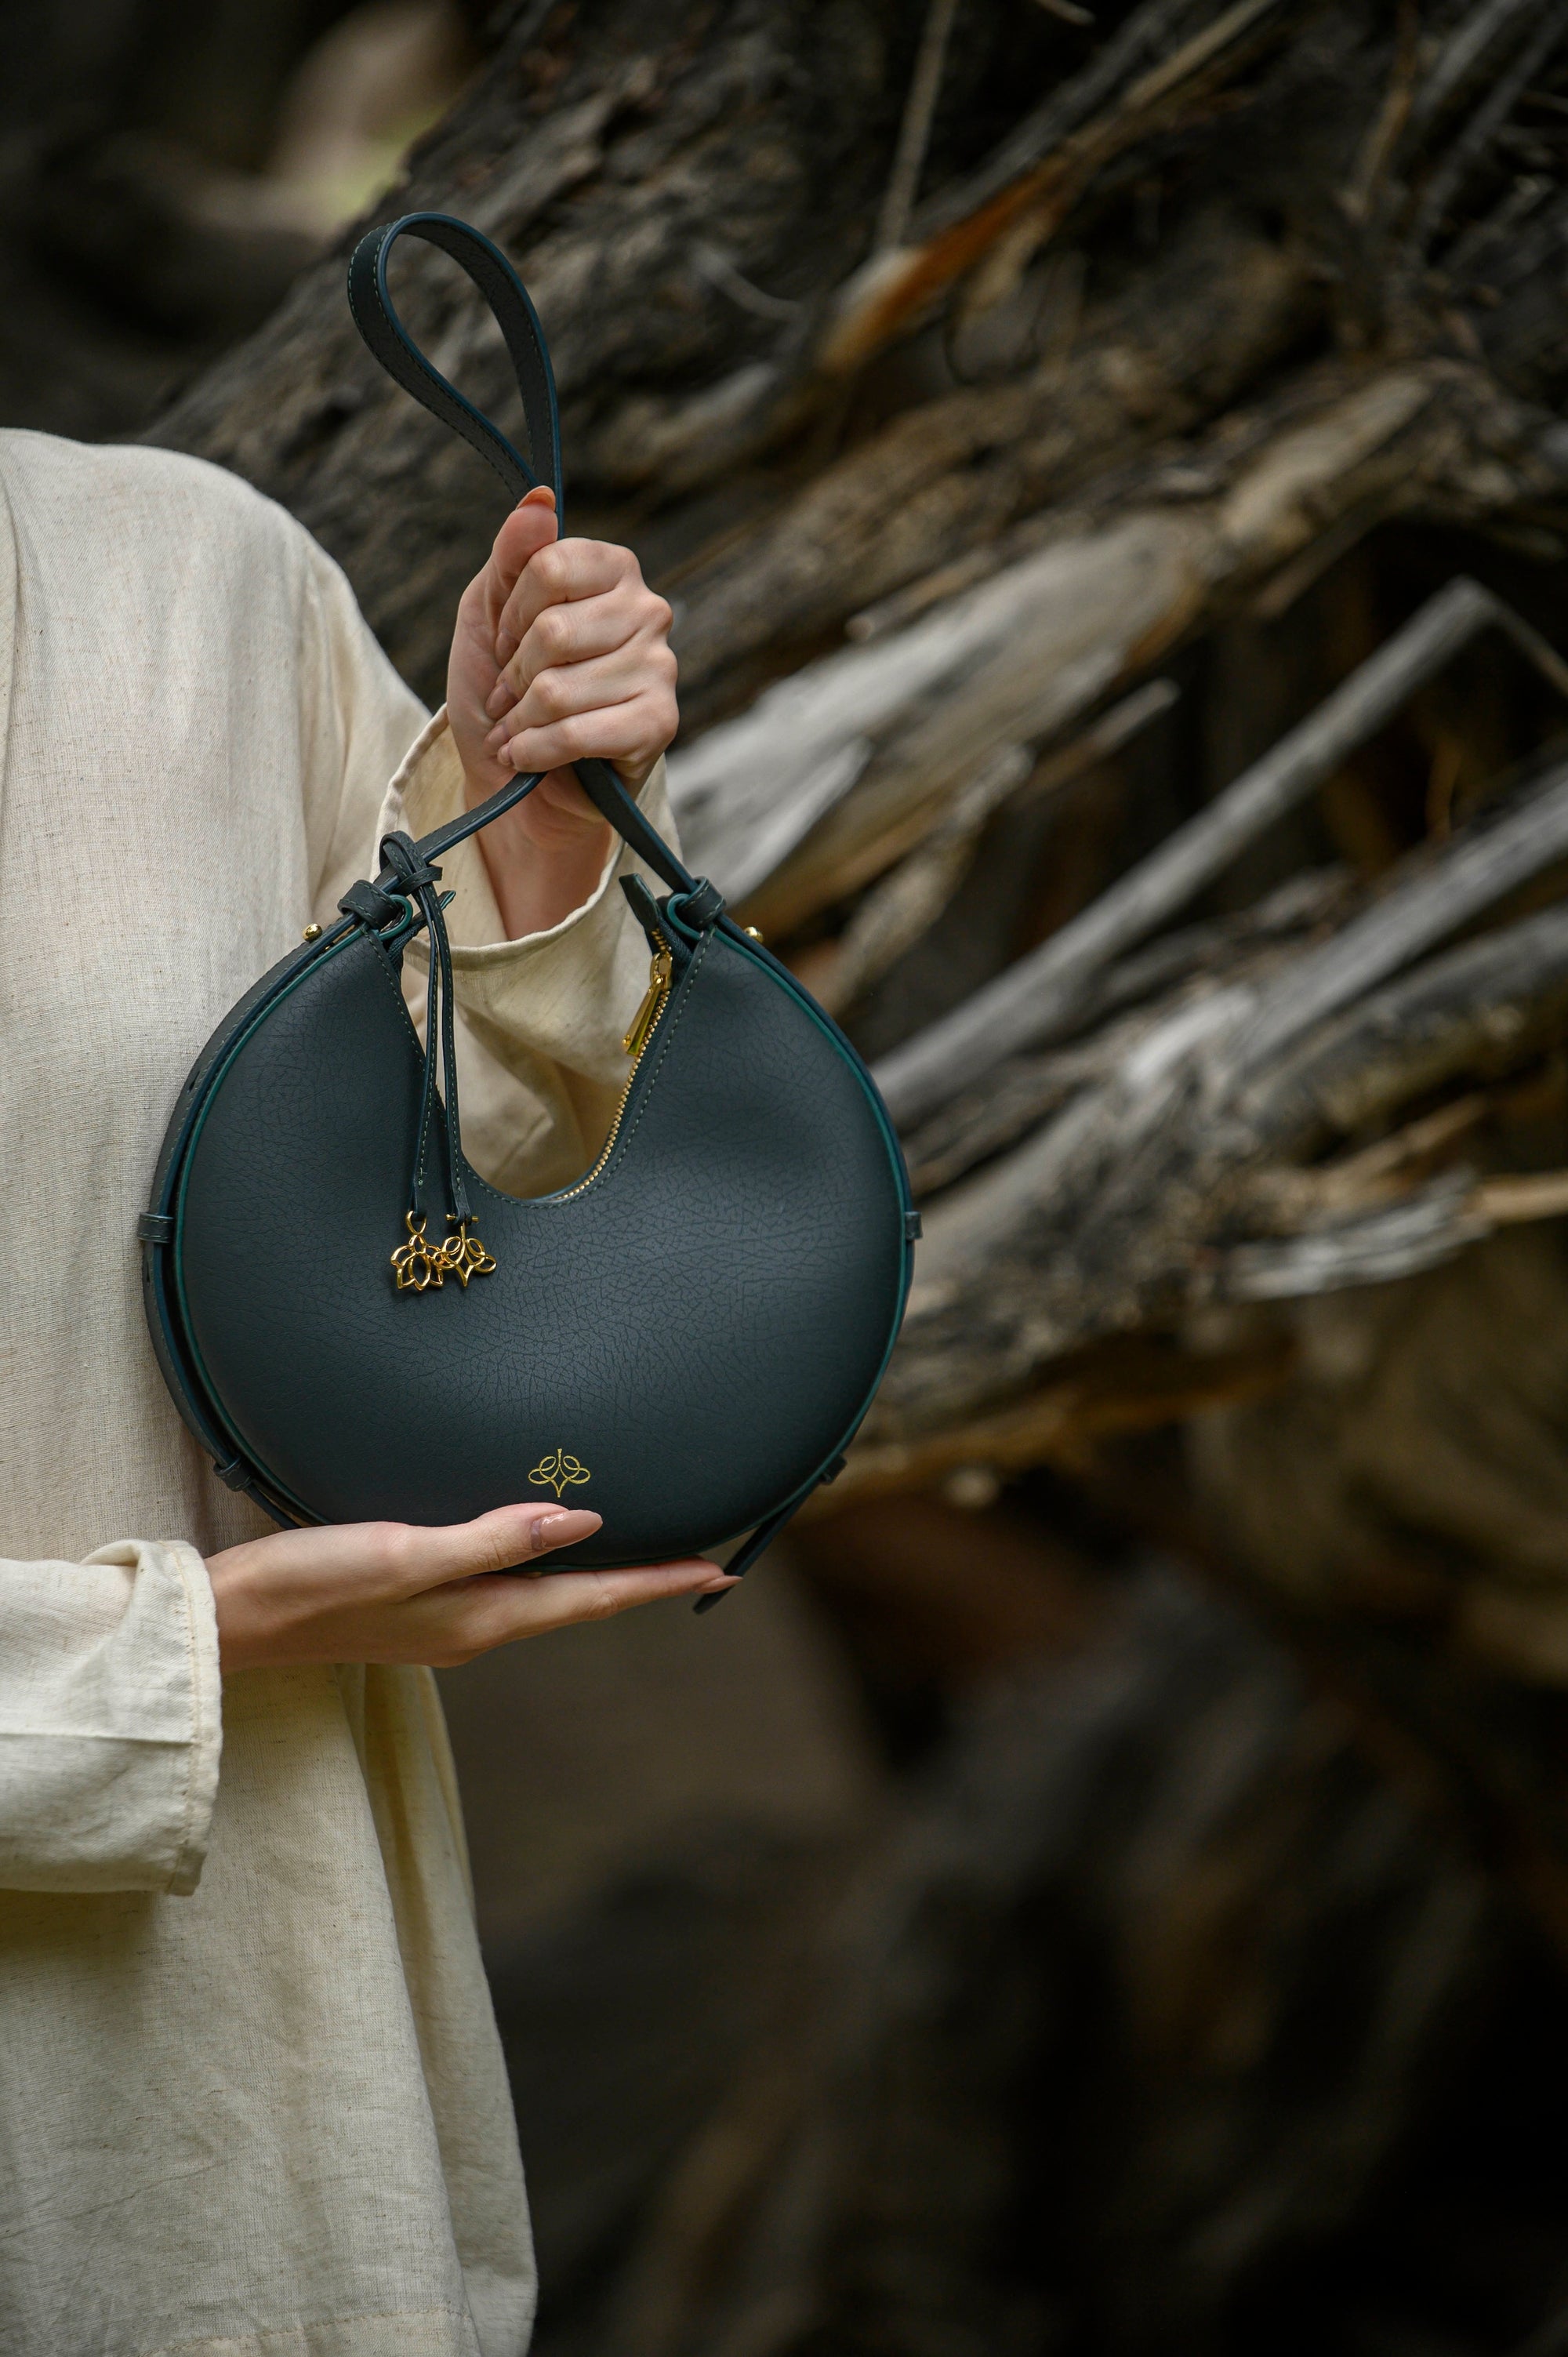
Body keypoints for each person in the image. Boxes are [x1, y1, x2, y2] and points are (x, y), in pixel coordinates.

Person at [0, 432, 735, 2357]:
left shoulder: (188, 581)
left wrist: (537, 828)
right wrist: (162, 1657)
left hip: (218, 2096)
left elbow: (420, 1212)